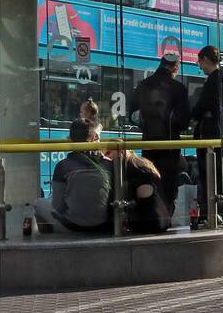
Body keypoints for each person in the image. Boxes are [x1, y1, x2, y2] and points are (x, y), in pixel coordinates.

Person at [33, 103, 113, 234]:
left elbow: (57, 206)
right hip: (103, 226)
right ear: (93, 138)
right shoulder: (107, 164)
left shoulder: (63, 166)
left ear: (70, 139)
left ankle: (50, 240)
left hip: (73, 227)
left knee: (38, 203)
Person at [131, 52, 190, 213]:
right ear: (175, 67)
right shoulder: (179, 89)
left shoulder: (143, 85)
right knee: (169, 188)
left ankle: (153, 216)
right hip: (170, 148)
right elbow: (185, 121)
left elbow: (133, 116)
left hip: (149, 145)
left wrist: (148, 125)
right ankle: (166, 218)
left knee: (151, 182)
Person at [191, 44, 223, 223]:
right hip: (222, 135)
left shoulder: (212, 81)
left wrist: (196, 113)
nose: (200, 66)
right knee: (219, 175)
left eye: (200, 62)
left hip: (209, 136)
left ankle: (212, 213)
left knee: (208, 175)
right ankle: (217, 212)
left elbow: (200, 108)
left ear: (205, 60)